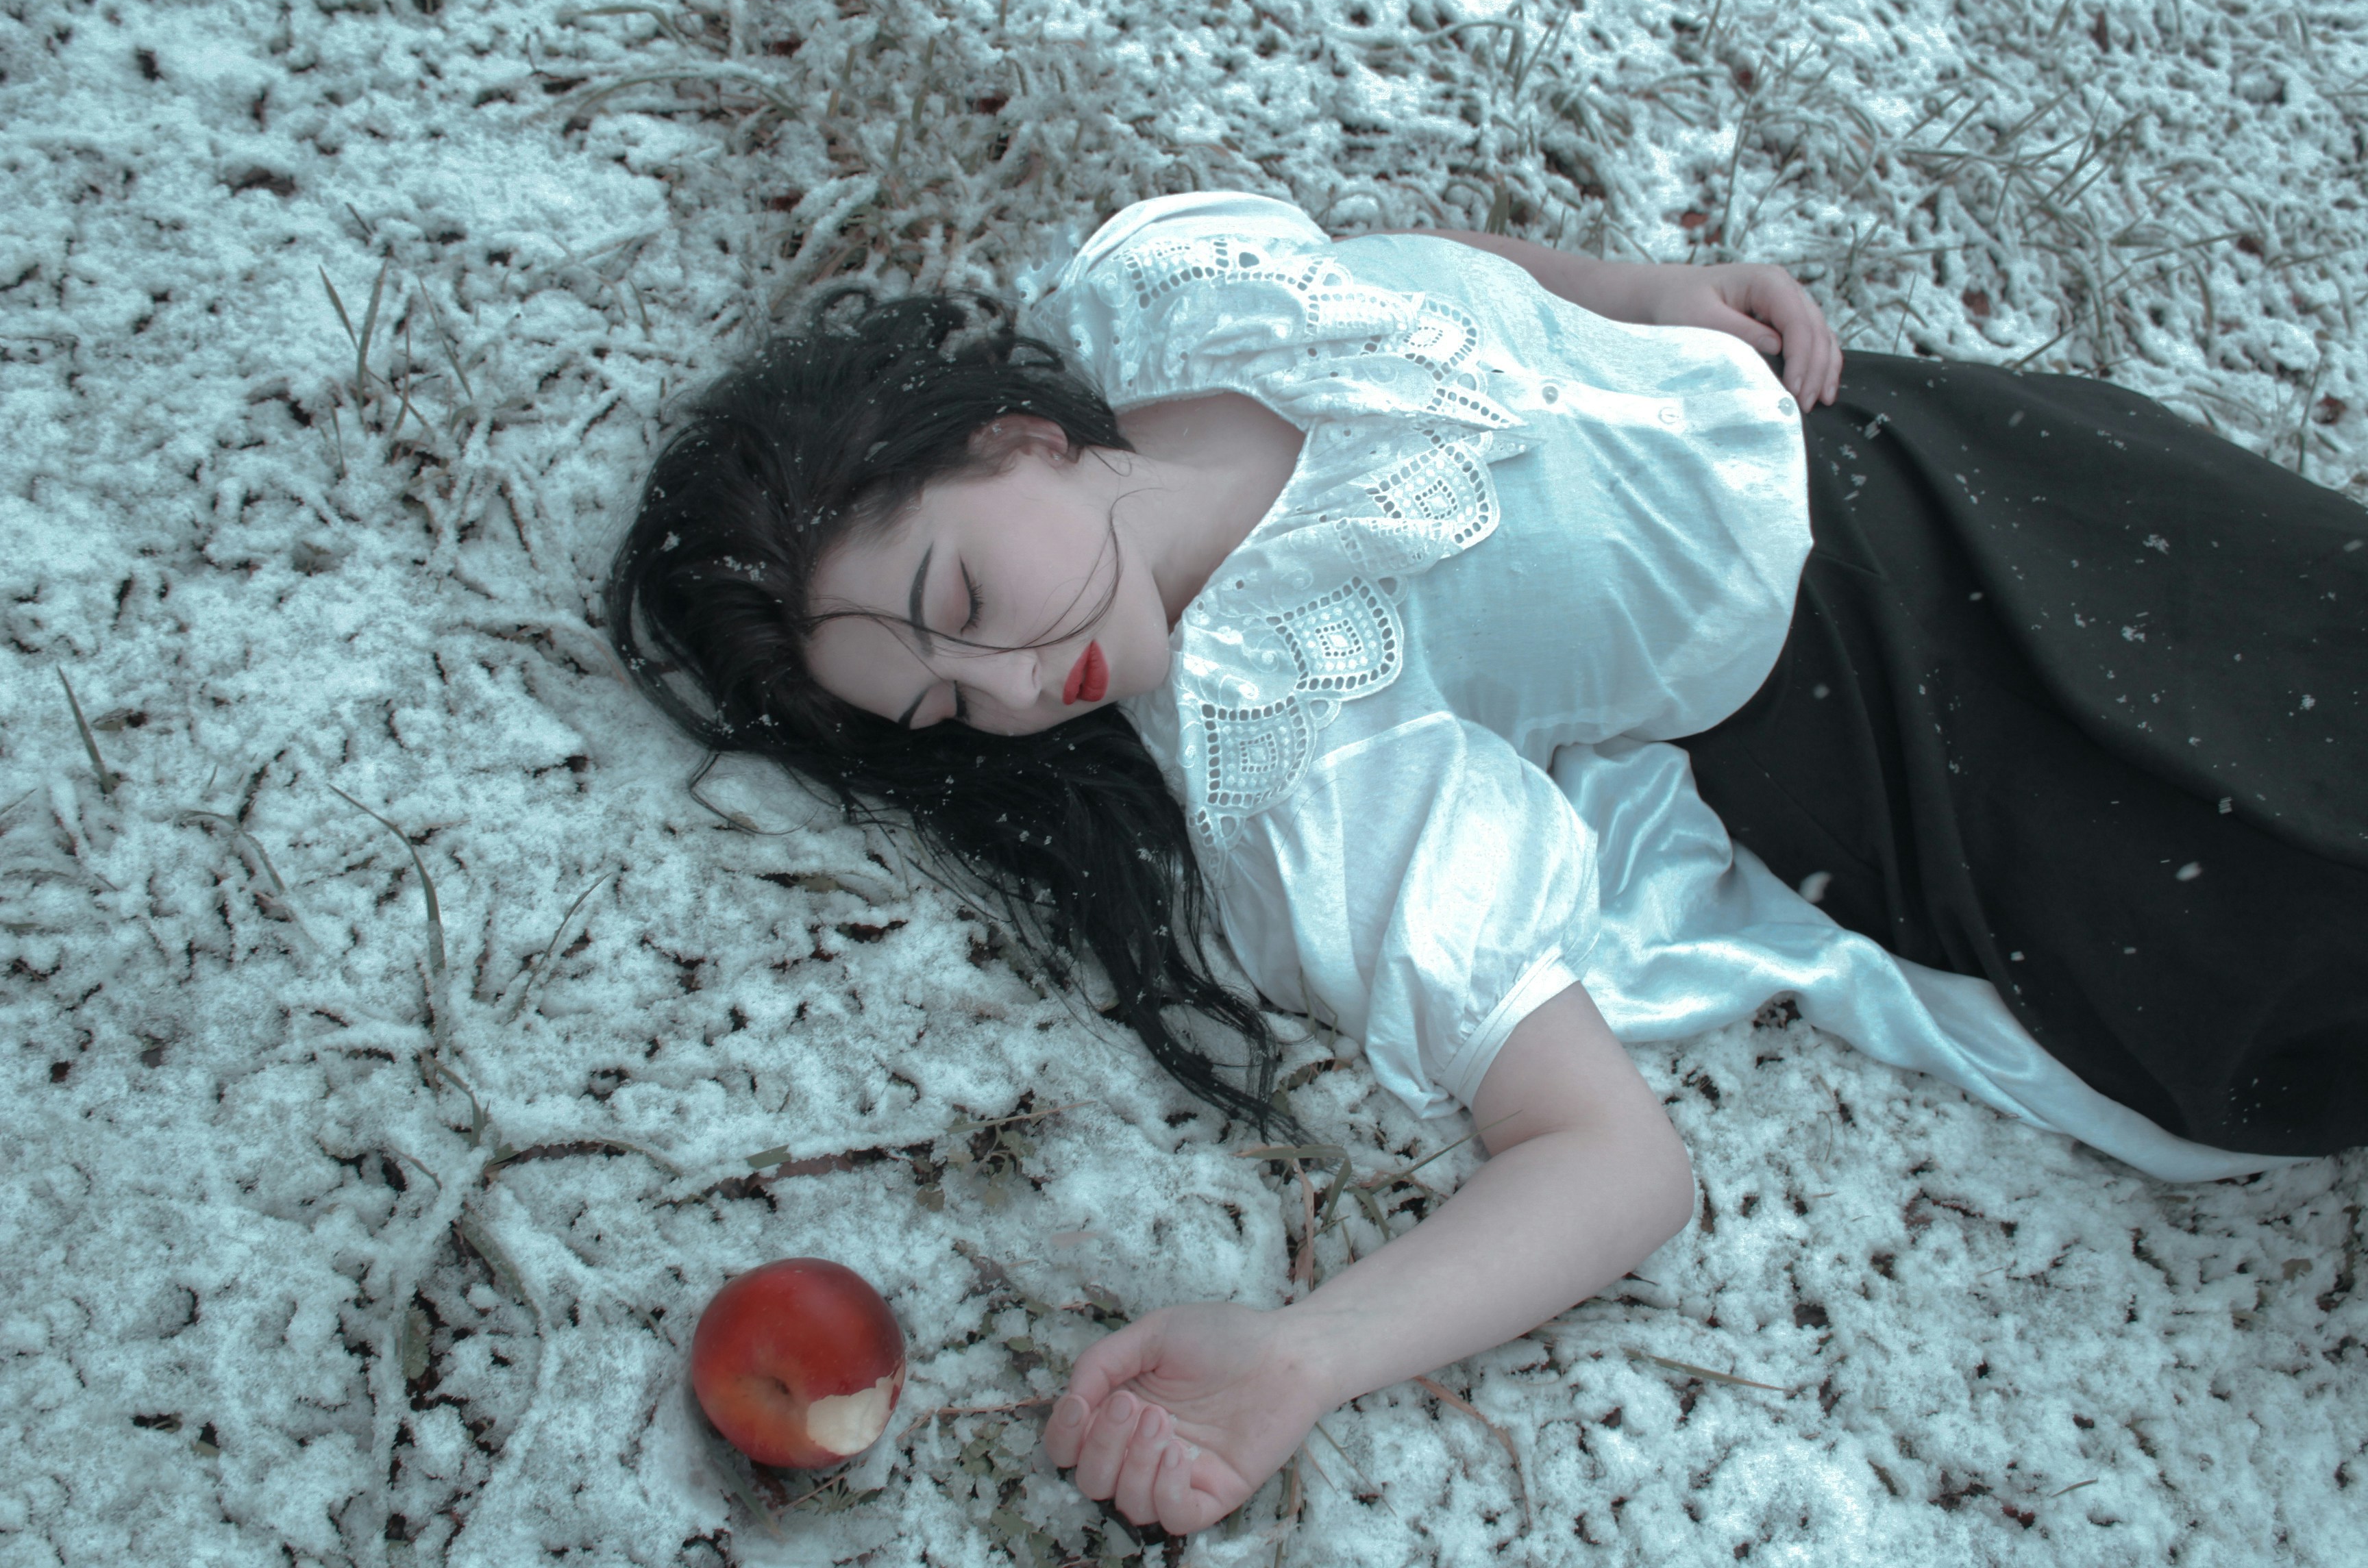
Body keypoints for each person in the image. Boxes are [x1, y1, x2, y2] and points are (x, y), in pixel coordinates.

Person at [607, 192, 2367, 1536]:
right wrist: (1303, 1357)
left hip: (1953, 457)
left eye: (963, 601)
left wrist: (1635, 291)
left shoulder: (1166, 290)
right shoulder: (1299, 759)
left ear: (1011, 439)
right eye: (940, 710)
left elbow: (1417, 266)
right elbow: (1612, 1163)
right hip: (1926, 732)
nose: (1006, 691)